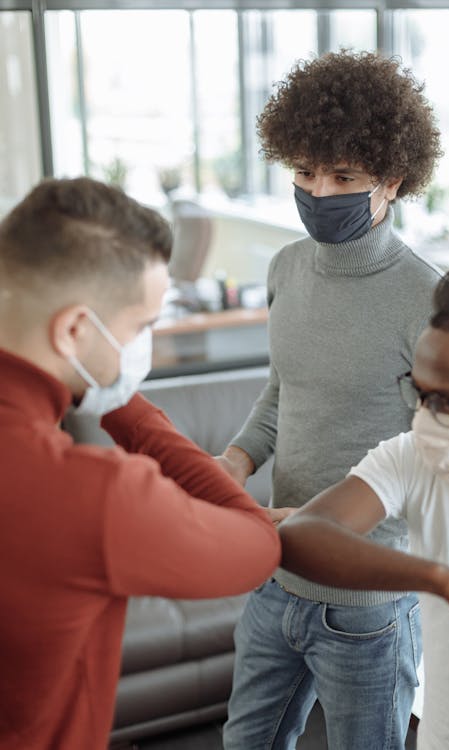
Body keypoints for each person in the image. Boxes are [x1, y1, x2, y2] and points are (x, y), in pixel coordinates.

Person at [0, 177, 280, 750]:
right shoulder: (89, 495)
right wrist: (123, 404)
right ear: (75, 330)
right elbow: (258, 542)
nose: (141, 347)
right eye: (141, 327)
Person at [220, 51, 443, 750]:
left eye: (344, 176)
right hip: (274, 576)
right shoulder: (286, 268)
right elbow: (285, 391)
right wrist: (234, 460)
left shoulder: (429, 299)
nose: (320, 191)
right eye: (306, 172)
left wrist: (338, 517)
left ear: (392, 180)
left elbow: (438, 455)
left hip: (367, 608)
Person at [279, 264, 449, 750]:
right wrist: (443, 580)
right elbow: (301, 536)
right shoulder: (412, 456)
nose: (426, 420)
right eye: (420, 395)